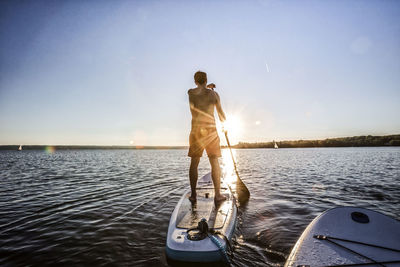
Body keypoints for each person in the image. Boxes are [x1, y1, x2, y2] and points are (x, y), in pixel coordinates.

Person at [187, 71, 227, 203]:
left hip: (196, 131)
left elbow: (198, 90)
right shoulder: (214, 95)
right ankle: (218, 195)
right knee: (214, 161)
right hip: (211, 131)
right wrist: (225, 126)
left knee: (194, 162)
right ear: (206, 80)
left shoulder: (191, 93)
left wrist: (206, 87)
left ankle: (193, 195)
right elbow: (221, 115)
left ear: (195, 81)